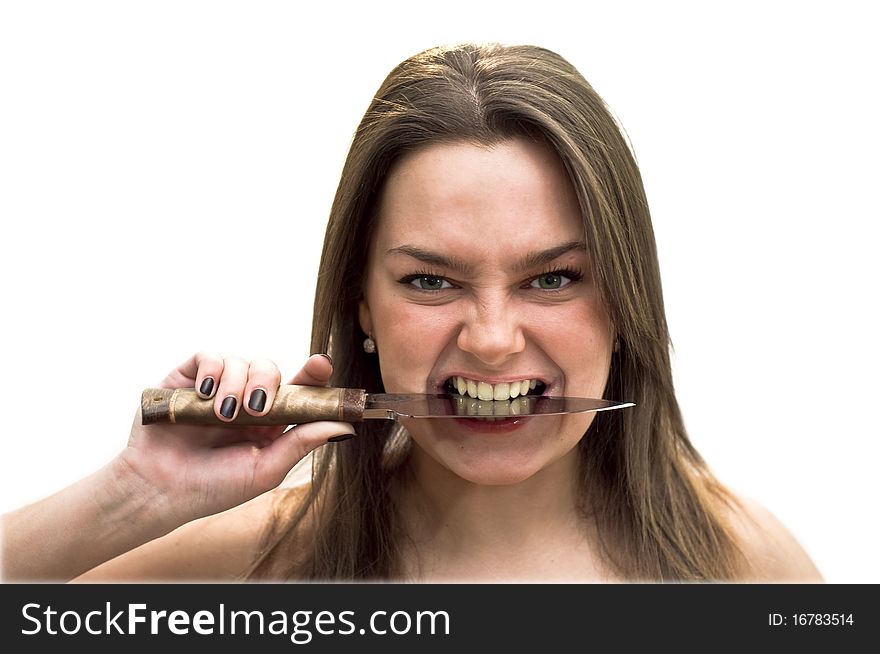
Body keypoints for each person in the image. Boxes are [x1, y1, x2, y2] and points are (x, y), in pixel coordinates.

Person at [1, 43, 821, 583]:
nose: (494, 340)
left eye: (553, 279)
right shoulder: (246, 570)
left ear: (625, 301)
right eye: (432, 282)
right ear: (361, 304)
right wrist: (134, 496)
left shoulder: (745, 567)